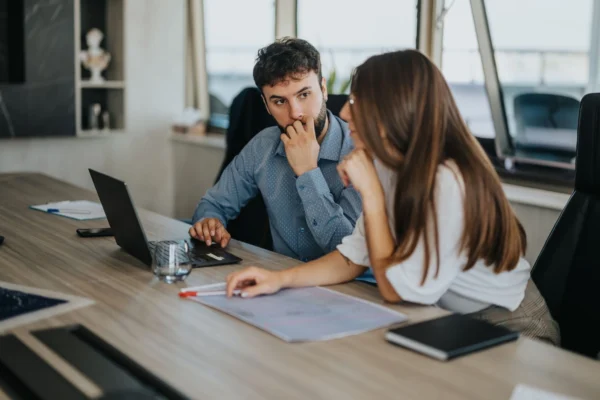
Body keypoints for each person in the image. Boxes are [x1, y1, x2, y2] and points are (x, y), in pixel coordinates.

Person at [224, 49, 560, 345]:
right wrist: (278, 279)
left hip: (511, 324)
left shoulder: (446, 180)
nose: (345, 114)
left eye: (357, 103)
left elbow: (396, 291)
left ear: (394, 110)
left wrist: (370, 195)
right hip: (449, 318)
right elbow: (351, 258)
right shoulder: (387, 164)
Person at [190, 38, 361, 262]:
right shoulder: (262, 146)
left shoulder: (359, 151)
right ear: (266, 105)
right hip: (280, 279)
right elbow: (213, 204)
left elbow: (348, 251)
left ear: (323, 89)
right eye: (280, 102)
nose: (295, 113)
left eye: (304, 94)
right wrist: (209, 222)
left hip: (345, 288)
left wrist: (308, 172)